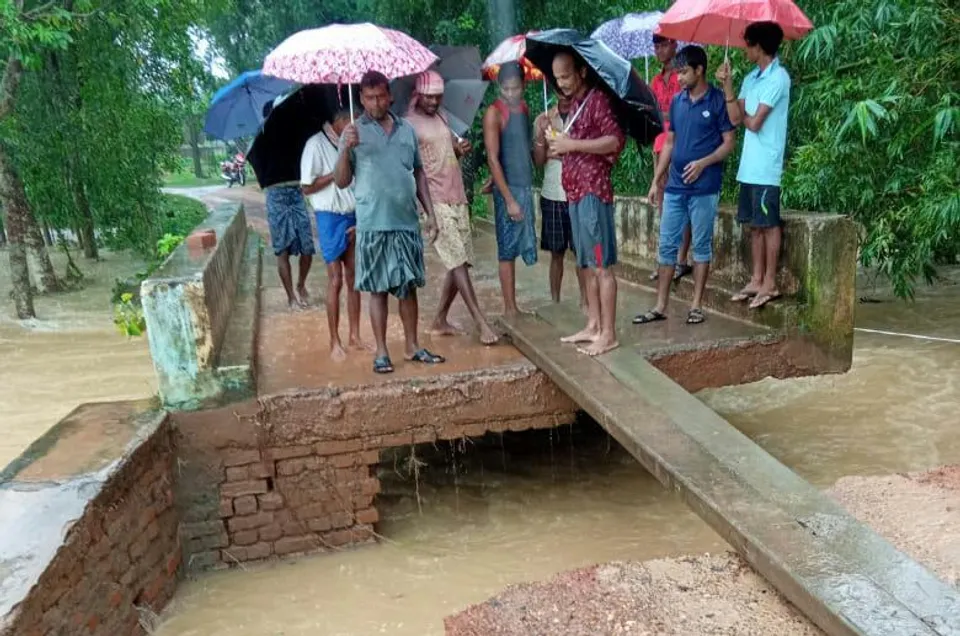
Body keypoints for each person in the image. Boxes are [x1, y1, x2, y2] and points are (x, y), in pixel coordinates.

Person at [333, 71, 445, 374]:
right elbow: (342, 181)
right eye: (369, 98)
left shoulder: (406, 129)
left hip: (406, 222)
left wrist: (430, 214)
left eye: (381, 96)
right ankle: (382, 352)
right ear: (361, 99)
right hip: (372, 224)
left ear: (390, 95)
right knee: (378, 289)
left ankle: (412, 346)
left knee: (408, 288)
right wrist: (345, 148)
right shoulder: (352, 133)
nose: (376, 102)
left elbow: (419, 173)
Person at [635, 46, 736, 327]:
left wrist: (704, 162)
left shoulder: (717, 101)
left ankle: (696, 306)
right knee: (666, 246)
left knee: (701, 247)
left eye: (683, 72)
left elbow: (729, 143)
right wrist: (657, 181)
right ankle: (660, 305)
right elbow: (669, 142)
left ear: (699, 70)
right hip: (676, 187)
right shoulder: (678, 102)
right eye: (677, 72)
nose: (678, 78)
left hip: (705, 188)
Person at [404, 70, 500, 346]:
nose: (434, 102)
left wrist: (459, 150)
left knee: (459, 260)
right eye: (429, 97)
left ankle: (439, 320)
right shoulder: (409, 125)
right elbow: (416, 169)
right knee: (457, 261)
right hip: (435, 200)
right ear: (418, 95)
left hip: (457, 195)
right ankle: (480, 322)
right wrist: (428, 213)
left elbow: (444, 153)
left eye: (438, 97)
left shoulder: (443, 117)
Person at [548, 51, 626, 356]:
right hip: (575, 195)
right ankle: (593, 324)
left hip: (593, 195)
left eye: (566, 76)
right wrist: (561, 148)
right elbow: (577, 148)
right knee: (585, 264)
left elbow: (613, 141)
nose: (562, 83)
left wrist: (572, 145)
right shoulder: (577, 106)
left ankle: (609, 333)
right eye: (557, 78)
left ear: (581, 71)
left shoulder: (598, 101)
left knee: (600, 263)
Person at [717, 21, 791, 310]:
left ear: (759, 47)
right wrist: (728, 87)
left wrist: (742, 112)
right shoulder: (750, 78)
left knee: (768, 224)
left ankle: (770, 282)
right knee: (753, 226)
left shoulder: (778, 78)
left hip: (767, 166)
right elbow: (736, 118)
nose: (745, 49)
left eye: (748, 44)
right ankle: (757, 278)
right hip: (749, 165)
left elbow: (755, 122)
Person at [300, 109, 370, 361]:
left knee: (354, 278)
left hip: (352, 213)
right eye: (352, 121)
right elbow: (306, 187)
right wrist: (336, 172)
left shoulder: (350, 143)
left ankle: (355, 335)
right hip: (329, 216)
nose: (356, 126)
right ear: (340, 121)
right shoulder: (315, 144)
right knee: (335, 280)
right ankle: (334, 340)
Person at [482, 61, 537, 318]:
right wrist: (508, 199)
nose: (511, 93)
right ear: (499, 87)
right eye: (506, 89)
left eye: (516, 88)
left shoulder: (524, 109)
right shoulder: (494, 113)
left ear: (523, 86)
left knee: (519, 244)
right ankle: (509, 308)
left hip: (524, 183)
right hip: (508, 189)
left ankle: (514, 306)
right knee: (506, 249)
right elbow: (493, 158)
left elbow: (525, 149)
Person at [533, 91, 587, 309]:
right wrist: (540, 136)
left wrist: (560, 152)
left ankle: (586, 301)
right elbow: (538, 161)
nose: (564, 90)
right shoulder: (544, 118)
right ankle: (555, 301)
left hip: (578, 193)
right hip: (553, 193)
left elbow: (584, 155)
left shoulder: (583, 115)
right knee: (556, 253)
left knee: (582, 252)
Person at [261, 102, 315, 309]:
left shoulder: (295, 135)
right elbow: (261, 173)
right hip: (275, 194)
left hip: (296, 192)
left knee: (307, 247)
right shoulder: (261, 141)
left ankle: (301, 285)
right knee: (281, 250)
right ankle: (291, 297)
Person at [649, 34, 693, 283]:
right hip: (660, 145)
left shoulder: (683, 75)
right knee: (665, 206)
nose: (659, 49)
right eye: (656, 45)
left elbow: (680, 110)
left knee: (682, 203)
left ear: (674, 45)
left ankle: (681, 259)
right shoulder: (655, 80)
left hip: (680, 145)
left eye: (663, 44)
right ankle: (667, 260)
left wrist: (659, 113)